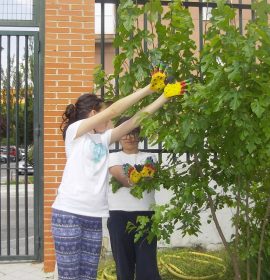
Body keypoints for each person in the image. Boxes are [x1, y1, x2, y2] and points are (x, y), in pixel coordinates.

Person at [51, 65, 191, 280]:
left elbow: (135, 120)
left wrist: (163, 97)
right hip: (68, 214)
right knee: (70, 276)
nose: (111, 120)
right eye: (105, 114)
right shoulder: (75, 133)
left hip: (93, 216)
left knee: (88, 276)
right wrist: (147, 89)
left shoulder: (103, 140)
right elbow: (115, 111)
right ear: (93, 115)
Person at [107, 116, 160, 280]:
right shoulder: (113, 157)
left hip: (146, 215)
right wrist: (137, 176)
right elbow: (126, 179)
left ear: (139, 135)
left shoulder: (150, 158)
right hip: (119, 216)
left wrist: (135, 176)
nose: (129, 137)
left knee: (148, 266)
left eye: (133, 133)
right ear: (119, 136)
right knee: (124, 266)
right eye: (125, 133)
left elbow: (149, 177)